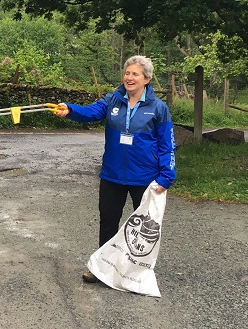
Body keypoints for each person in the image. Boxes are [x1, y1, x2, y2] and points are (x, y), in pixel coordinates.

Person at [53, 55, 176, 283]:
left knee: (143, 228)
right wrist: (69, 110)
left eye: (135, 74)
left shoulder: (158, 108)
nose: (129, 77)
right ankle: (101, 269)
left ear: (146, 79)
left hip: (144, 177)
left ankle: (136, 272)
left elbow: (167, 144)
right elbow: (89, 113)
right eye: (127, 73)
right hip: (112, 175)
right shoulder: (113, 100)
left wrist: (167, 175)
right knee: (108, 221)